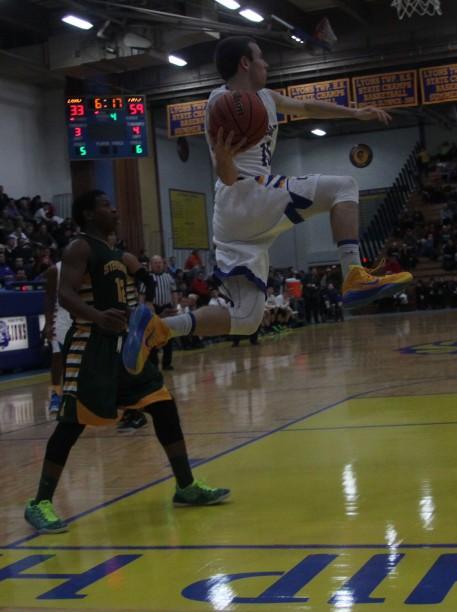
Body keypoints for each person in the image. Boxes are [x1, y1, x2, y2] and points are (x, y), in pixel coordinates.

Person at [121, 36, 412, 374]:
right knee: (343, 186)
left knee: (246, 319)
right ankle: (353, 276)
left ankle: (158, 328)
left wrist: (355, 112)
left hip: (235, 218)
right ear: (245, 63)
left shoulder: (266, 98)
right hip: (244, 193)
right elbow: (227, 174)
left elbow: (305, 108)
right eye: (261, 58)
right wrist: (226, 162)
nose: (267, 64)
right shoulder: (223, 104)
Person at [24, 190, 228, 534]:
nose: (115, 208)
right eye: (105, 205)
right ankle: (39, 502)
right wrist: (97, 316)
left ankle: (185, 486)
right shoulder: (80, 247)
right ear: (88, 214)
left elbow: (123, 296)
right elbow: (66, 294)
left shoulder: (115, 253)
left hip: (122, 347)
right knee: (71, 424)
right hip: (90, 347)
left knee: (163, 407)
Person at [41, 261, 72, 415]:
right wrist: (47, 323)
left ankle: (78, 395)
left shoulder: (88, 266)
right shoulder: (55, 269)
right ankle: (56, 394)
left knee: (84, 357)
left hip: (81, 314)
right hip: (60, 317)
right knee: (57, 356)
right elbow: (48, 297)